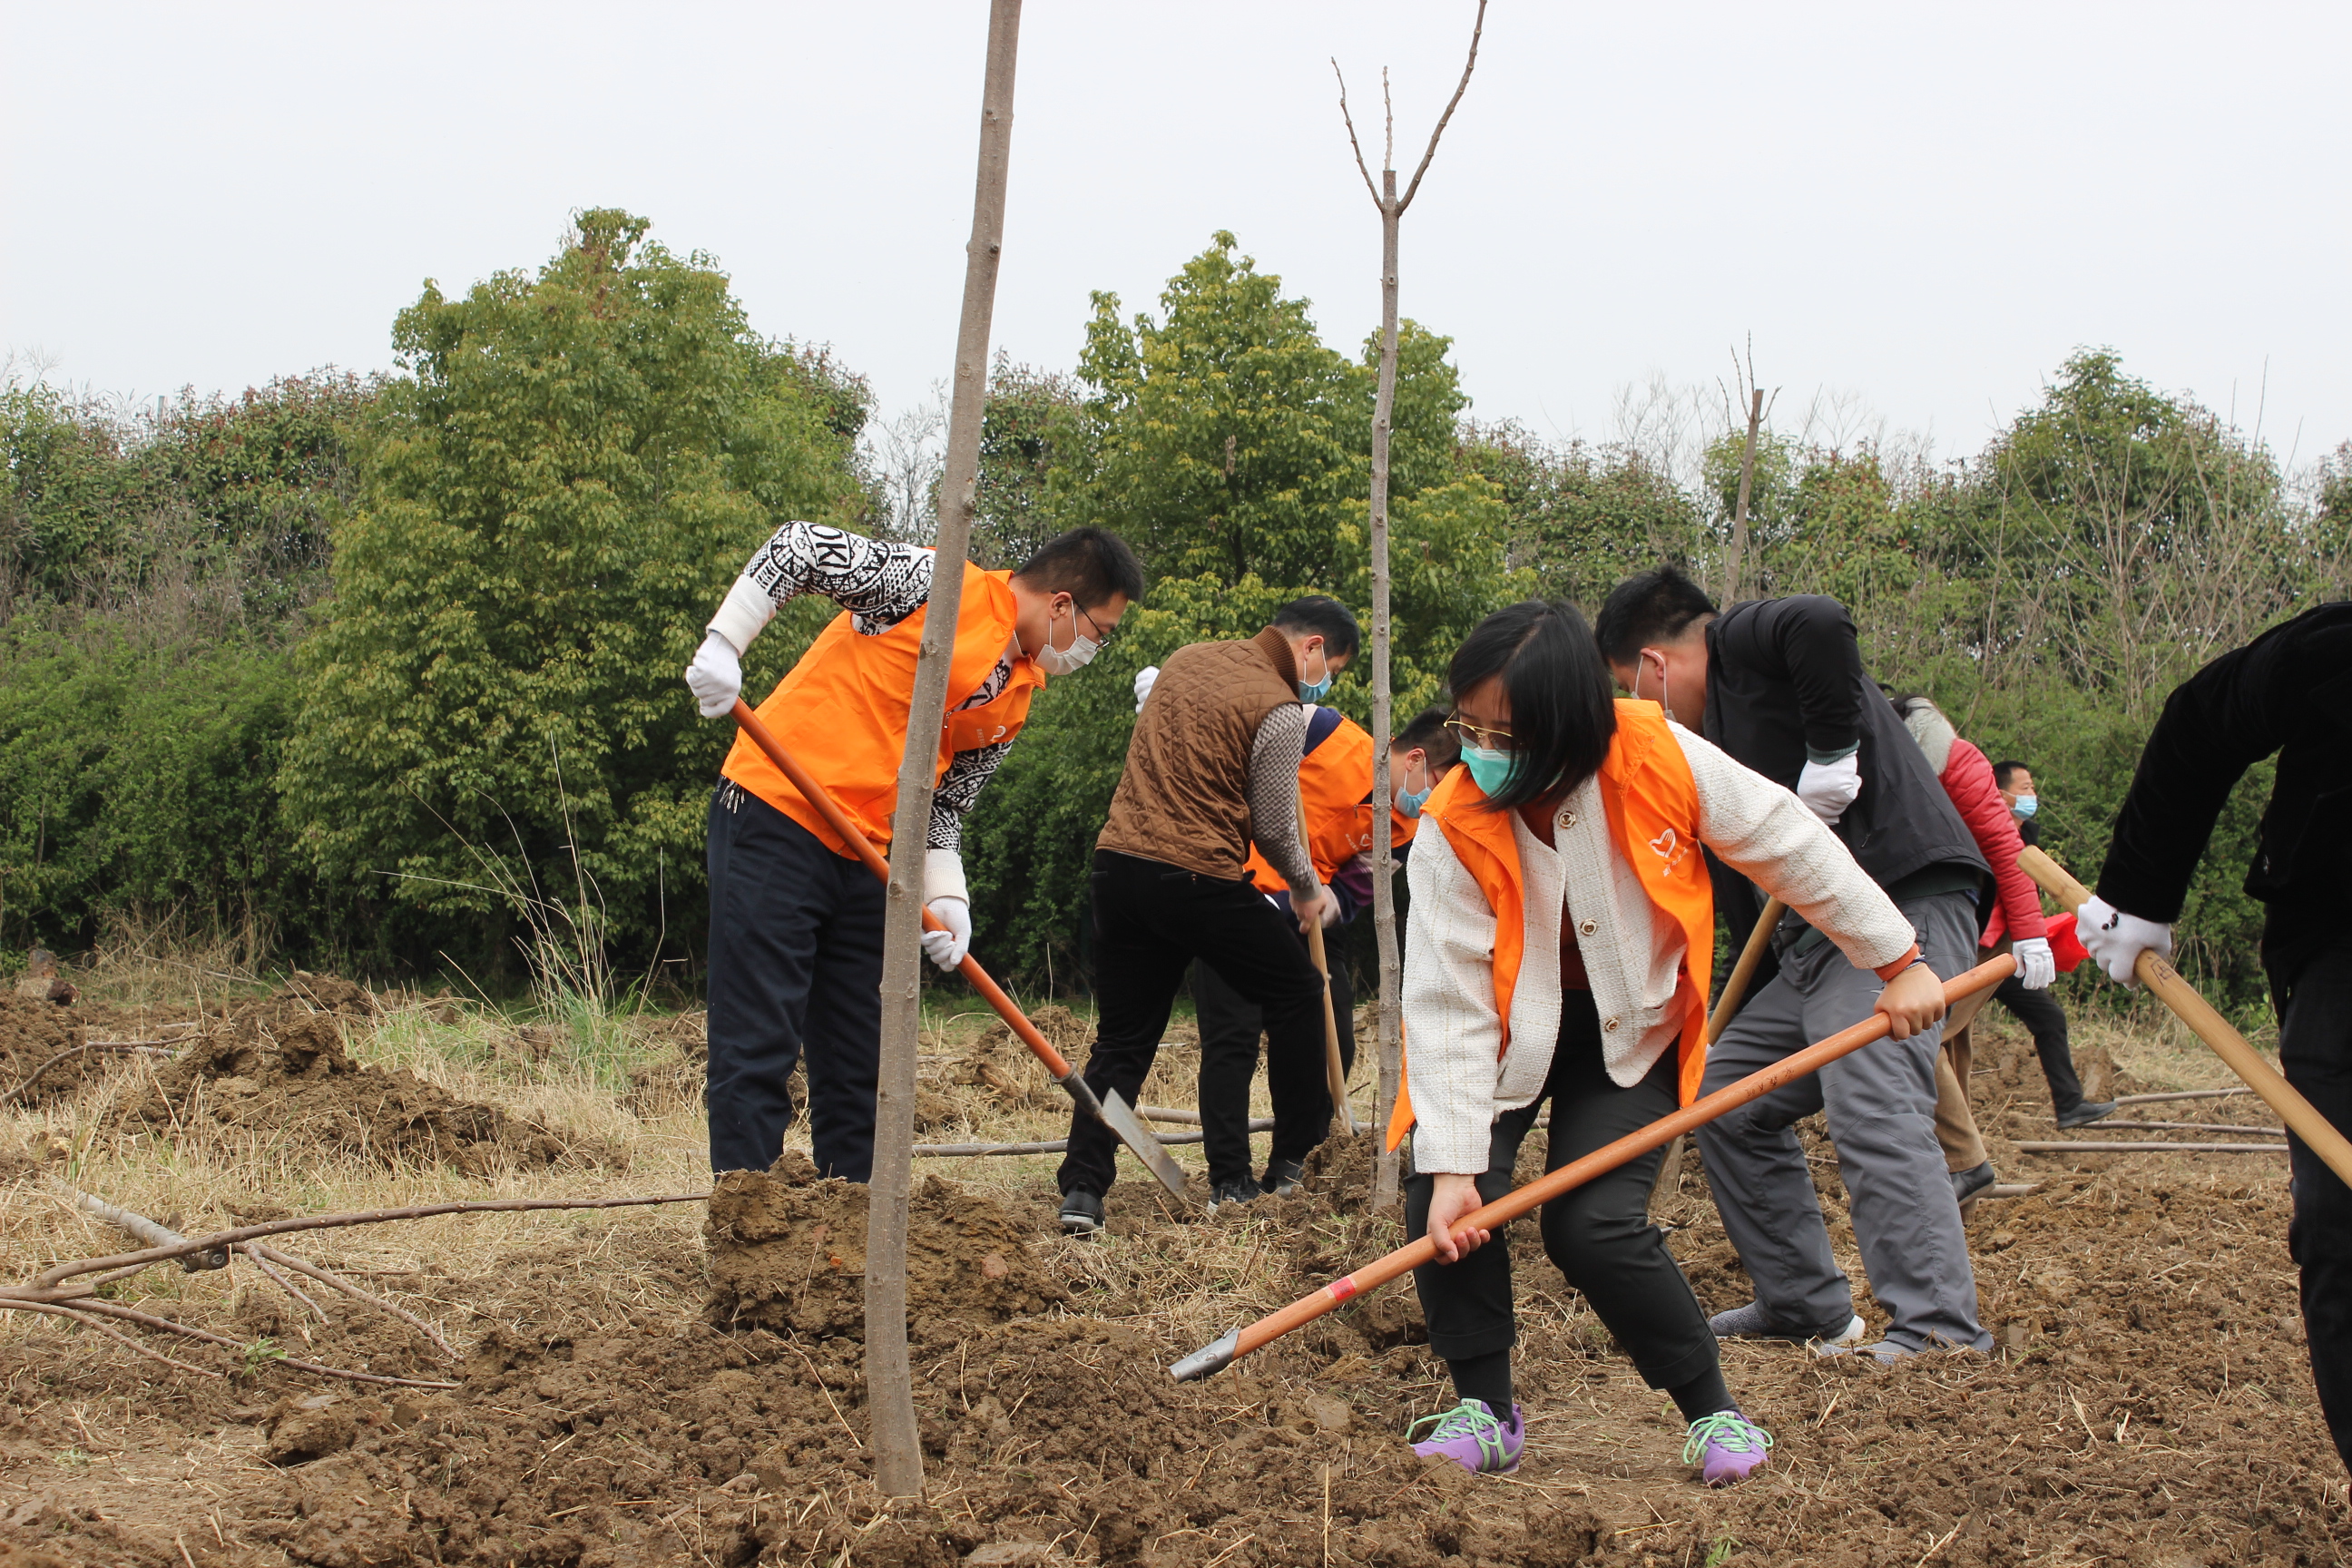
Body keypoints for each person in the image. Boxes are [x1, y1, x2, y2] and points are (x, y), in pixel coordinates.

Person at [1395, 602, 1945, 1484]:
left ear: (1576, 723)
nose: (1486, 749)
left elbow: (1788, 844)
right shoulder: (1454, 822)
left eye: (1510, 732)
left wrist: (1896, 958)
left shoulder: (1655, 757)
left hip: (1632, 1027)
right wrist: (1457, 1167)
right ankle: (1486, 1411)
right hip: (1502, 1034)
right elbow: (1446, 1000)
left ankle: (1713, 1414)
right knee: (1441, 1193)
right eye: (1474, 728)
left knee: (1594, 1225)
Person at [1595, 566, 1992, 1362]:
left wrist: (1833, 756)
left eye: (1626, 687)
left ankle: (1940, 1331)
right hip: (1810, 957)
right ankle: (1803, 1303)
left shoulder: (1739, 649)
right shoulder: (1707, 754)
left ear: (1654, 664)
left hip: (1898, 915)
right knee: (1724, 1097)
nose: (1638, 709)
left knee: (1872, 1093)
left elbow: (1818, 619)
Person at [684, 521, 1142, 1181]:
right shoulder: (937, 585)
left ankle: (853, 1224)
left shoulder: (1015, 697)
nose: (1093, 649)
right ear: (1063, 605)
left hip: (873, 858)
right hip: (777, 815)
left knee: (858, 1056)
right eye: (1100, 632)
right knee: (759, 1039)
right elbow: (800, 548)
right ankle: (749, 1229)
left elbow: (945, 806)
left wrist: (948, 895)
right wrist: (725, 644)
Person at [2068, 602, 2352, 1470]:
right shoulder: (2334, 651)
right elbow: (2202, 722)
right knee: (2340, 1220)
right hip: (2342, 945)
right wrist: (2141, 894)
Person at [1054, 597, 1357, 1234]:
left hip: (1118, 868)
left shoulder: (1186, 662)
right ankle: (1294, 1163)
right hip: (1197, 877)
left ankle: (1082, 1190)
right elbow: (1275, 826)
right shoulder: (1277, 706)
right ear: (1313, 648)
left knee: (1123, 1040)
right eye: (1331, 668)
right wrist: (1306, 887)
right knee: (1302, 993)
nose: (1323, 684)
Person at [1187, 705, 1459, 1205]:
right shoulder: (1327, 732)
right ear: (1417, 759)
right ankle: (1229, 1179)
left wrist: (1333, 903)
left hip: (1306, 920)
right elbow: (1250, 720)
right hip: (1235, 899)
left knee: (1327, 1031)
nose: (1438, 799)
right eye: (1441, 782)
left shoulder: (1407, 826)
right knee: (1233, 1041)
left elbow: (1360, 886)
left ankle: (1294, 1160)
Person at [1884, 695, 2077, 1210]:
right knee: (1947, 1039)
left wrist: (2031, 933)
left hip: (1999, 930)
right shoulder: (1882, 765)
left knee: (1920, 1029)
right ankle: (1961, 1179)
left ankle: (1965, 1164)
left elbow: (2008, 851)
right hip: (1963, 929)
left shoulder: (1955, 760)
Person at [1984, 759, 2112, 1128]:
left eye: (2032, 788)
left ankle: (2070, 1105)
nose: (2032, 796)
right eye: (2024, 789)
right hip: (1977, 952)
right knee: (1944, 1034)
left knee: (2049, 1017)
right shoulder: (1980, 837)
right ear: (2000, 795)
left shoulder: (2028, 840)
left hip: (2009, 954)